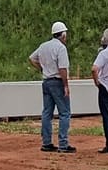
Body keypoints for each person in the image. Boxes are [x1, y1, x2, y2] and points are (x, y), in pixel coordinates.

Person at [28, 21, 75, 153]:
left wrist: (42, 69)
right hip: (57, 82)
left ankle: (46, 142)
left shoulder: (44, 46)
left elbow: (32, 58)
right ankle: (63, 144)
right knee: (64, 113)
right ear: (63, 35)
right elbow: (62, 68)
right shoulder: (61, 48)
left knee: (47, 113)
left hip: (46, 82)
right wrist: (65, 85)